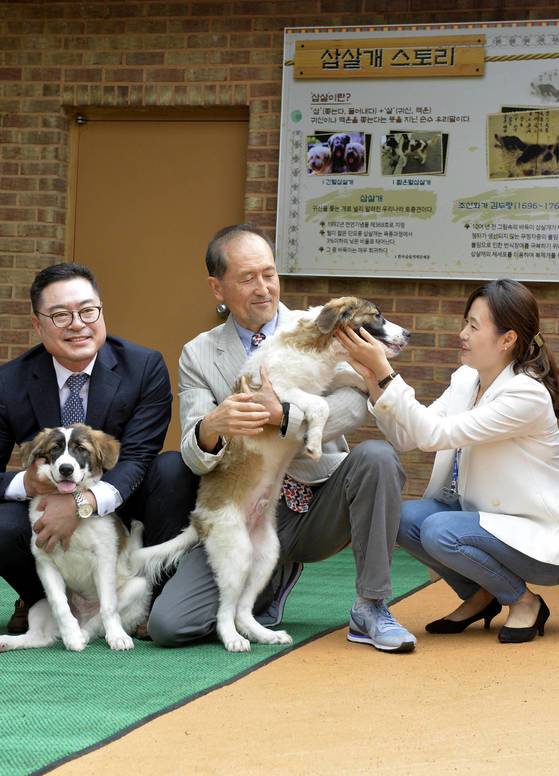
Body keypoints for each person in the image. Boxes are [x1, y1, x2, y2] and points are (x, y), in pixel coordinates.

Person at [148, 223, 416, 653]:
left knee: (377, 458)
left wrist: (282, 416)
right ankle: (267, 584)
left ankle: (372, 606)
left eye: (269, 274)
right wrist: (215, 426)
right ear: (217, 288)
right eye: (247, 278)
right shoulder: (198, 353)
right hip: (246, 500)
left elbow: (353, 407)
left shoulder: (321, 324)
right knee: (169, 626)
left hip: (319, 500)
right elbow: (195, 456)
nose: (263, 288)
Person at [337, 278, 559, 644]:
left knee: (440, 530)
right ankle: (479, 594)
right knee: (402, 518)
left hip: (536, 538)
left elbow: (432, 435)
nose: (462, 333)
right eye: (465, 322)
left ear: (508, 339)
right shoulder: (466, 379)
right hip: (484, 522)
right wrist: (375, 380)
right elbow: (409, 436)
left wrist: (387, 372)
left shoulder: (526, 394)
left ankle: (524, 601)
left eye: (474, 326)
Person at [0, 262, 197, 635]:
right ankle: (38, 596)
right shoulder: (9, 382)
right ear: (38, 324)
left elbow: (138, 456)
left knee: (172, 469)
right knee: (1, 524)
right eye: (60, 315)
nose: (77, 323)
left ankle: (155, 600)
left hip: (122, 502)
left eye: (88, 310)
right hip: (44, 500)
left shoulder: (144, 366)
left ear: (101, 311)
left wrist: (80, 504)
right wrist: (29, 485)